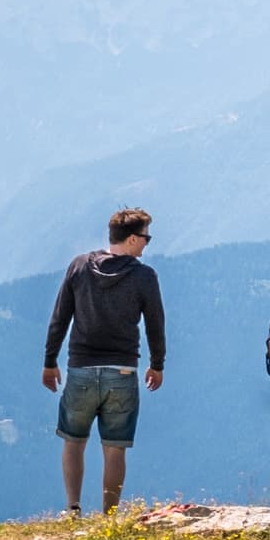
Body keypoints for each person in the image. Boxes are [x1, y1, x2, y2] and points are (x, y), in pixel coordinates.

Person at [42, 208, 166, 516]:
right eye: (146, 238)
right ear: (133, 239)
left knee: (73, 441)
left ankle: (72, 508)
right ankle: (109, 516)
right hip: (122, 370)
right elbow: (155, 323)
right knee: (115, 447)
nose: (147, 245)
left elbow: (60, 317)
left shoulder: (80, 266)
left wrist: (49, 360)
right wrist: (157, 364)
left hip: (81, 367)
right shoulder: (144, 276)